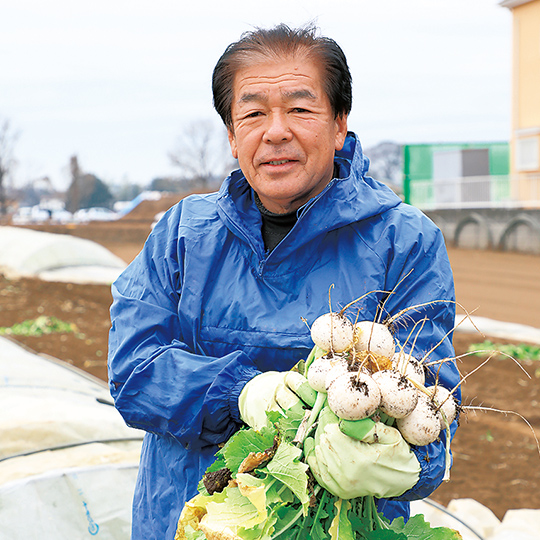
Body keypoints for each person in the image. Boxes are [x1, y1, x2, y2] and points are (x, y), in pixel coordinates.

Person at [108, 24, 460, 540]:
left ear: (339, 125)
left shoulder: (403, 241)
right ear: (231, 135)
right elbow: (135, 369)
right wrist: (242, 393)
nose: (275, 132)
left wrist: (407, 463)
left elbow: (432, 407)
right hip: (185, 521)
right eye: (252, 113)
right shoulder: (183, 233)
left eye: (299, 109)